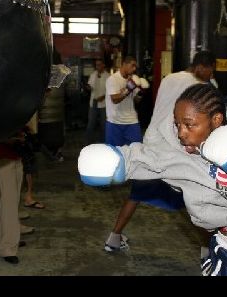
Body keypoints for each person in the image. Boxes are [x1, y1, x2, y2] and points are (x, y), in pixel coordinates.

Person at [78, 83, 227, 276]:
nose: (181, 133)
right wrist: (118, 161)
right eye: (178, 124)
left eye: (189, 125)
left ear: (216, 120)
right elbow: (149, 158)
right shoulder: (180, 152)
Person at [102, 51, 215, 255]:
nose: (211, 75)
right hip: (176, 150)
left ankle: (114, 238)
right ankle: (207, 252)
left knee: (136, 194)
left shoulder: (170, 78)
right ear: (202, 67)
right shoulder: (202, 87)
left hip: (152, 145)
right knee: (193, 200)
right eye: (210, 71)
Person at [102, 55, 149, 251]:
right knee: (112, 154)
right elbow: (115, 98)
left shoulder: (133, 79)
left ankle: (137, 178)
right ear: (124, 65)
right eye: (131, 64)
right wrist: (128, 88)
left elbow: (133, 100)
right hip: (115, 122)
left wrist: (139, 92)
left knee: (138, 151)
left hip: (131, 121)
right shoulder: (113, 79)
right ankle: (106, 179)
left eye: (135, 66)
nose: (133, 68)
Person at [0, 131, 35, 265]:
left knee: (13, 201)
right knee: (8, 203)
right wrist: (14, 137)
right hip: (2, 156)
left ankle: (12, 236)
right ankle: (7, 247)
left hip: (16, 154)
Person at [84, 59, 108, 145]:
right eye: (97, 65)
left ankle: (103, 142)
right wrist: (88, 88)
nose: (98, 67)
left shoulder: (108, 76)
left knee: (103, 125)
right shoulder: (93, 75)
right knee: (91, 123)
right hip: (93, 102)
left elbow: (110, 90)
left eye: (100, 65)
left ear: (103, 65)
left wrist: (103, 96)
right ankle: (88, 142)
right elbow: (90, 87)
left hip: (104, 103)